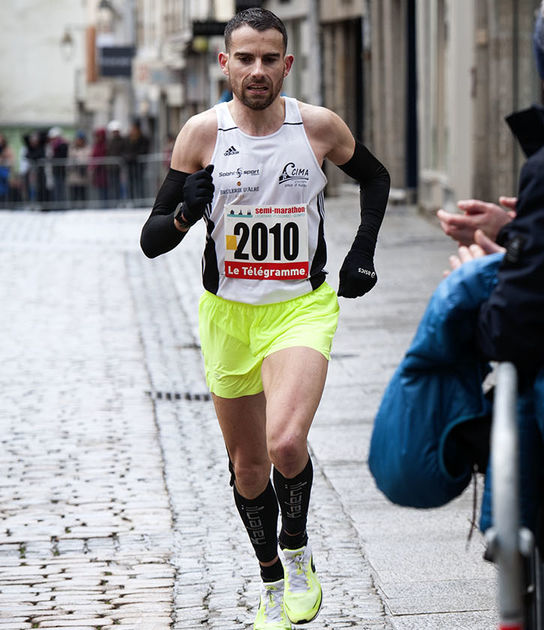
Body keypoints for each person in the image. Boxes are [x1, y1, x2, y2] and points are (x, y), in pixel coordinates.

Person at [139, 8, 390, 629]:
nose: (257, 70)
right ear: (224, 63)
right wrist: (182, 217)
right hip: (229, 317)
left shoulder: (319, 128)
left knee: (285, 442)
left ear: (287, 63)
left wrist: (361, 254)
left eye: (268, 58)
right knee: (248, 466)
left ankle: (299, 552)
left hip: (300, 309)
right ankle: (271, 582)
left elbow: (377, 179)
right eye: (244, 58)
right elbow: (150, 239)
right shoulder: (201, 134)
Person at [67, 131, 91, 204]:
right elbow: (70, 159)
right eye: (78, 139)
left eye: (81, 139)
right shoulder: (72, 148)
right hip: (73, 176)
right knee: (73, 196)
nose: (79, 141)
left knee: (83, 196)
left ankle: (84, 209)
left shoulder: (87, 148)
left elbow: (88, 159)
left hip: (83, 176)